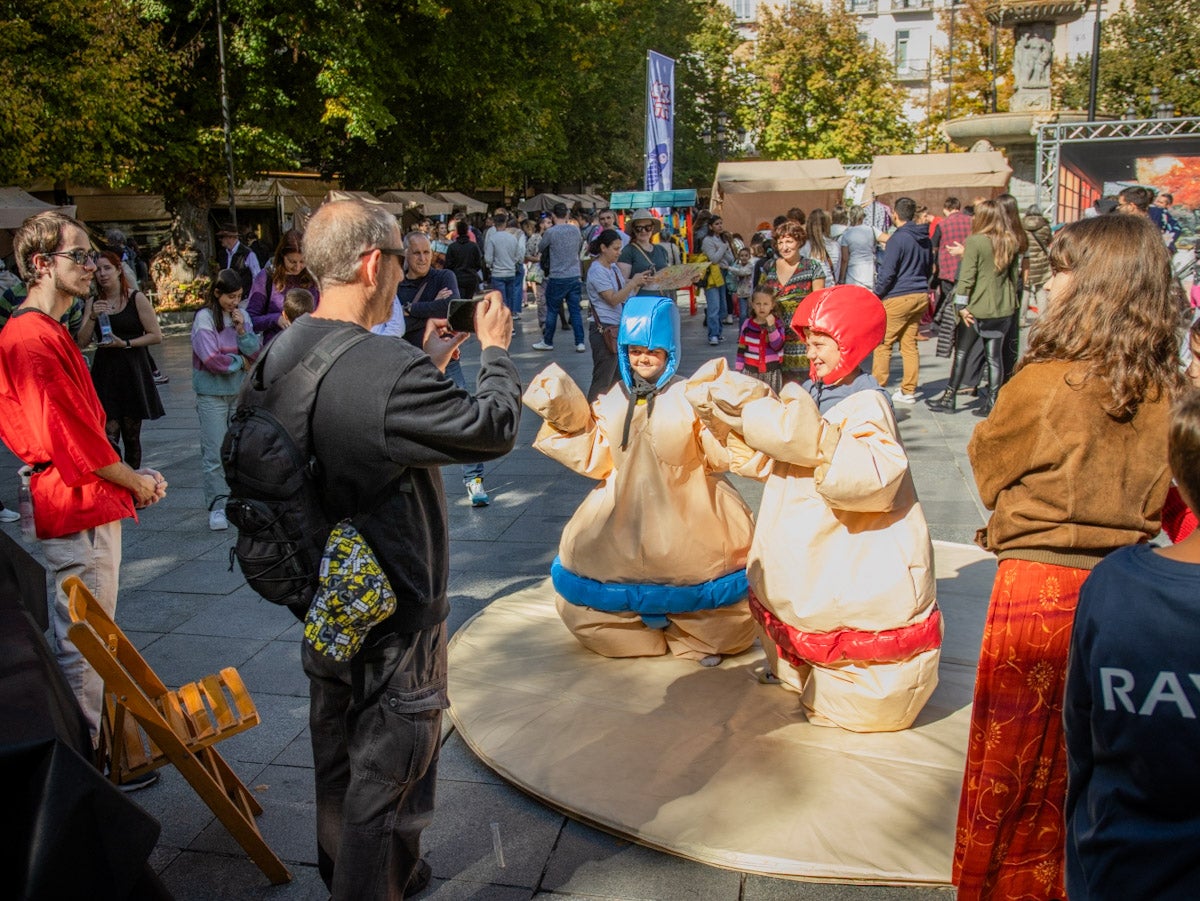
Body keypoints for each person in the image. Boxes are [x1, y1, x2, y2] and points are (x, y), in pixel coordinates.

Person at [262, 200, 520, 899]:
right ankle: (371, 885)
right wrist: (493, 351)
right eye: (403, 258)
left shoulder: (280, 351)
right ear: (374, 263)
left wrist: (426, 363)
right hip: (396, 608)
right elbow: (492, 427)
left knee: (337, 761)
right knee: (391, 774)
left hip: (325, 595)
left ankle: (371, 875)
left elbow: (356, 432)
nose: (406, 270)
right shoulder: (384, 365)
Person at [953, 213, 1184, 899]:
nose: (1046, 284)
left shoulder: (1045, 382)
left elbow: (988, 468)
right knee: (1094, 763)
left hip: (1036, 590)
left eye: (1059, 269)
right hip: (1127, 588)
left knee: (1011, 763)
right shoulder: (1168, 389)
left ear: (1092, 285)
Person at [691, 284, 940, 731]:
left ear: (851, 342)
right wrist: (734, 426)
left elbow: (874, 479)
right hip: (800, 534)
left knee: (839, 608)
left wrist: (814, 439)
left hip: (847, 542)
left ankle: (845, 696)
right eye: (808, 341)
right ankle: (795, 670)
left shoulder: (868, 404)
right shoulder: (808, 391)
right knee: (795, 596)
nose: (810, 351)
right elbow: (776, 457)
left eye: (821, 342)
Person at [0, 211, 166, 751]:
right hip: (75, 501)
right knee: (85, 639)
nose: (91, 265)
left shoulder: (46, 329)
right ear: (41, 265)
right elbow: (71, 438)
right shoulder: (30, 336)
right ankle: (85, 759)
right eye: (79, 255)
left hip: (81, 497)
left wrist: (132, 478)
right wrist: (135, 481)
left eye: (91, 254)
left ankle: (89, 754)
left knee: (87, 632)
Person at [523, 295, 756, 664]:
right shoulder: (614, 399)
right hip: (622, 512)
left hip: (690, 510)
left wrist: (729, 416)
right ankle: (631, 633)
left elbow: (719, 450)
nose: (643, 358)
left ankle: (700, 636)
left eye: (653, 351)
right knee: (601, 583)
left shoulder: (688, 397)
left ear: (671, 352)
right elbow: (598, 454)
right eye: (634, 350)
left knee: (707, 587)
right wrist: (565, 415)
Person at [1062, 391, 1200, 899]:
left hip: (1120, 858)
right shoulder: (1114, 583)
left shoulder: (1113, 582)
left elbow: (1083, 731)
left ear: (1178, 485)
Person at [396, 231, 492, 506]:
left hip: (447, 359)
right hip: (409, 361)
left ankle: (474, 479)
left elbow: (450, 308)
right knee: (411, 421)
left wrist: (411, 308)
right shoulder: (397, 285)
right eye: (416, 253)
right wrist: (426, 312)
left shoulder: (443, 276)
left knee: (465, 414)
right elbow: (399, 325)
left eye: (427, 252)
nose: (423, 258)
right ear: (406, 254)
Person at [926, 200, 1021, 416]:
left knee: (962, 353)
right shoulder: (1010, 241)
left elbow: (966, 279)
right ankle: (993, 402)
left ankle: (949, 398)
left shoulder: (976, 242)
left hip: (977, 307)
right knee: (994, 357)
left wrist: (960, 306)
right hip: (1004, 307)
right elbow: (1013, 278)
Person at [76, 251, 165, 469]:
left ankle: (134, 486)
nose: (102, 274)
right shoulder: (94, 302)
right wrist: (93, 316)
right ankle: (117, 486)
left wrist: (125, 343)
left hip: (132, 371)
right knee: (109, 435)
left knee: (132, 437)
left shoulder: (136, 298)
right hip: (106, 373)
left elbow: (155, 335)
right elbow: (81, 341)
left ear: (118, 270)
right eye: (98, 270)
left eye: (107, 268)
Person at [191, 268, 261, 530]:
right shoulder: (204, 318)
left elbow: (255, 352)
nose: (235, 302)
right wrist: (239, 361)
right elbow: (211, 360)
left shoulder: (240, 316)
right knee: (214, 451)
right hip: (212, 394)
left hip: (239, 391)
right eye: (231, 296)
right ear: (217, 293)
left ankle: (241, 499)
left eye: (239, 296)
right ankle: (218, 505)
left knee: (241, 449)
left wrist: (242, 330)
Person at [871, 197, 932, 404]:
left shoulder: (897, 239)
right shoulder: (924, 237)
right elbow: (930, 267)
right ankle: (908, 390)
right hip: (920, 294)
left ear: (894, 214)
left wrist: (877, 294)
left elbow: (888, 273)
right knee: (909, 344)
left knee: (883, 344)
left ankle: (877, 390)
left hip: (899, 296)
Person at [584, 229, 652, 401]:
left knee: (618, 378)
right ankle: (589, 417)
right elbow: (613, 299)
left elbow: (625, 294)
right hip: (604, 330)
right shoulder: (596, 271)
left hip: (617, 327)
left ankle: (610, 414)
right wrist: (633, 283)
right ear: (603, 248)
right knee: (602, 380)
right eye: (615, 249)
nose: (618, 253)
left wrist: (637, 283)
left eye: (620, 248)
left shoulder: (613, 268)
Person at [762, 219, 825, 383]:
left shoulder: (812, 267)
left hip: (802, 339)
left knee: (805, 386)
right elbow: (759, 298)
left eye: (789, 241)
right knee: (777, 387)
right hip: (774, 338)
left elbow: (819, 304)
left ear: (799, 242)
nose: (784, 247)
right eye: (780, 242)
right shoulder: (768, 267)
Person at [246, 229, 320, 344]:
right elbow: (250, 320)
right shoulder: (266, 278)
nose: (298, 267)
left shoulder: (313, 278)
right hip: (277, 348)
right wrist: (275, 319)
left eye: (302, 261)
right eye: (292, 261)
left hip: (309, 347)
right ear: (282, 256)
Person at [532, 202, 587, 353]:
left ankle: (547, 340)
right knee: (575, 311)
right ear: (568, 215)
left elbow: (541, 247)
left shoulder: (551, 232)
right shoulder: (575, 230)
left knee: (552, 310)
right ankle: (580, 342)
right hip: (574, 274)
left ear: (554, 216)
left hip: (557, 275)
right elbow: (579, 246)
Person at [734, 287, 786, 394]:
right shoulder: (747, 324)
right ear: (752, 305)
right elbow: (741, 349)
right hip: (751, 372)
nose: (761, 307)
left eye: (766, 304)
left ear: (772, 305)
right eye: (758, 304)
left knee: (772, 402)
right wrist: (738, 371)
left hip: (772, 372)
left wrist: (771, 327)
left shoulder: (777, 324)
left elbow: (777, 345)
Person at [700, 216, 736, 345]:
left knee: (723, 306)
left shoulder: (723, 239)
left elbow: (731, 259)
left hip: (724, 273)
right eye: (717, 224)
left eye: (721, 223)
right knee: (714, 305)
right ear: (711, 226)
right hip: (712, 276)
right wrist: (722, 248)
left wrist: (724, 248)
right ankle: (713, 334)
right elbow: (714, 259)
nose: (720, 226)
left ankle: (719, 332)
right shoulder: (707, 241)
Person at [617, 209, 669, 293]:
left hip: (662, 300)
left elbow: (669, 277)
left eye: (647, 227)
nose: (643, 231)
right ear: (633, 230)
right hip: (640, 301)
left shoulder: (661, 250)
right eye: (639, 228)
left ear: (652, 228)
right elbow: (620, 283)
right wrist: (637, 281)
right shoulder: (627, 251)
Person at [483, 211, 523, 318]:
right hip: (510, 272)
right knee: (510, 299)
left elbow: (488, 258)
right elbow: (518, 255)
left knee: (500, 300)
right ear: (505, 223)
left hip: (498, 273)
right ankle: (510, 322)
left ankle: (504, 324)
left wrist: (491, 265)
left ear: (494, 224)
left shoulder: (492, 239)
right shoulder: (513, 238)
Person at [837, 206, 881, 290]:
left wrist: (841, 279)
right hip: (869, 273)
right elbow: (889, 239)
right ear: (862, 217)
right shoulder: (871, 230)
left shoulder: (847, 234)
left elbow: (845, 259)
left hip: (853, 274)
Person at [216, 223, 261, 296]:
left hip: (244, 299)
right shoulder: (222, 254)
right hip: (226, 298)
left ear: (230, 238)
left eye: (222, 237)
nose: (220, 240)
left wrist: (253, 296)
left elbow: (257, 277)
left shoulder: (248, 254)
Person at [445, 219, 483, 297]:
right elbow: (479, 263)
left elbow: (448, 264)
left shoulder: (452, 247)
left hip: (457, 278)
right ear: (467, 231)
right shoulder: (473, 246)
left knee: (459, 300)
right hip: (471, 277)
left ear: (457, 231)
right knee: (469, 300)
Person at [801, 208, 839, 285]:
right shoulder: (835, 245)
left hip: (813, 290)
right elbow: (837, 270)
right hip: (830, 289)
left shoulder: (804, 246)